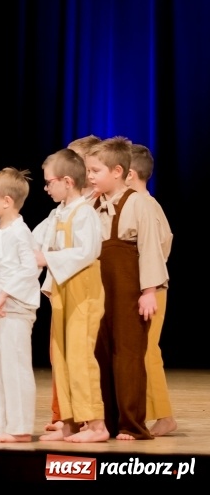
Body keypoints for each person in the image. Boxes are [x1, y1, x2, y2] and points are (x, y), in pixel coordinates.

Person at [86, 136, 168, 440]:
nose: (90, 177)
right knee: (102, 352)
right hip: (98, 290)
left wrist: (148, 291)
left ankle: (132, 424)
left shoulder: (139, 203)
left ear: (118, 171)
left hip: (129, 290)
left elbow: (150, 248)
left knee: (129, 355)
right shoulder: (91, 204)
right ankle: (105, 421)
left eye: (95, 171)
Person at [32, 149, 109, 443]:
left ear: (67, 181)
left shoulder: (85, 213)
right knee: (61, 356)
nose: (46, 187)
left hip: (83, 291)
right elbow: (35, 240)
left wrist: (47, 259)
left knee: (79, 356)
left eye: (49, 182)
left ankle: (97, 424)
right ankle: (69, 421)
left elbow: (87, 251)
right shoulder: (58, 213)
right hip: (62, 290)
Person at [0, 167, 41, 443]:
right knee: (1, 369)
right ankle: (4, 426)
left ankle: (20, 427)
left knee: (15, 367)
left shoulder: (20, 232)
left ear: (6, 201)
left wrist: (4, 293)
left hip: (15, 308)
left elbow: (29, 268)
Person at [126, 143, 176, 436]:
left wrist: (149, 285)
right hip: (139, 288)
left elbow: (160, 246)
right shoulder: (138, 205)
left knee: (147, 351)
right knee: (138, 351)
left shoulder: (147, 205)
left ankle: (165, 416)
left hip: (151, 288)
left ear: (129, 174)